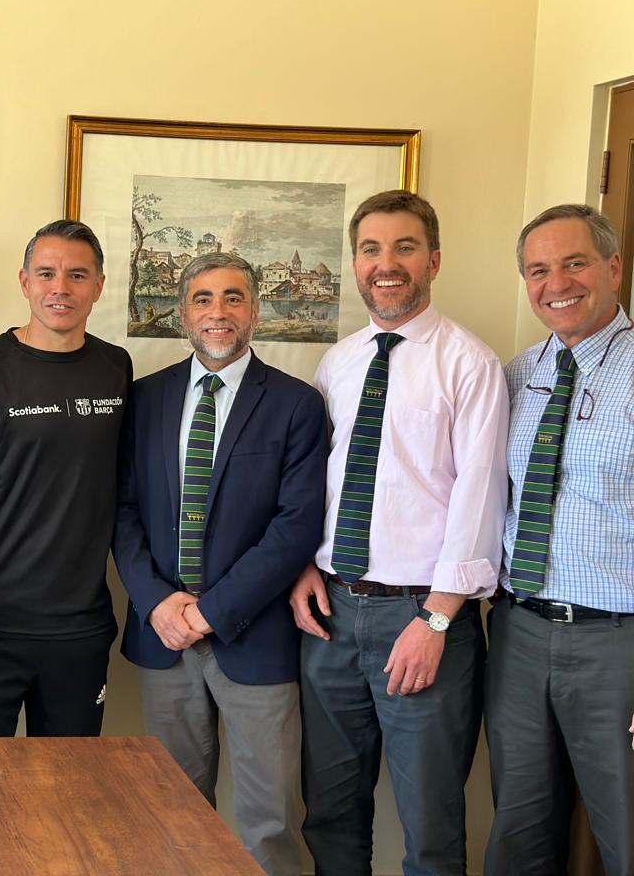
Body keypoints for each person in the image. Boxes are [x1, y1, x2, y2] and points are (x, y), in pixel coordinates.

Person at [289, 190, 509, 875]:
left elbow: (480, 497)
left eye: (404, 248)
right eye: (371, 250)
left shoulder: (470, 364)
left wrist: (437, 620)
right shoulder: (339, 361)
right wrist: (304, 565)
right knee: (330, 816)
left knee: (431, 827)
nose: (386, 264)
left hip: (422, 619)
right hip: (331, 615)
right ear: (356, 263)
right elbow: (316, 480)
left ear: (433, 260)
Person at [113, 253, 327, 875]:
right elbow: (122, 512)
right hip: (165, 636)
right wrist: (157, 603)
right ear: (183, 312)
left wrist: (212, 612)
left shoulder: (295, 404)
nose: (218, 312)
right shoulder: (144, 399)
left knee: (270, 819)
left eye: (234, 297)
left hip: (254, 636)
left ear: (255, 311)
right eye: (203, 298)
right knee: (172, 815)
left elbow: (295, 526)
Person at [0, 219, 131, 736]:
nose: (61, 288)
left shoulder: (116, 367)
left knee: (69, 781)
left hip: (80, 628)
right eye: (46, 273)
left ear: (99, 286)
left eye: (77, 275)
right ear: (24, 282)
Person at [485, 204, 634, 875]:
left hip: (618, 645)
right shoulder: (518, 375)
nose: (556, 284)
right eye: (538, 270)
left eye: (574, 263)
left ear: (613, 267)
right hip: (520, 632)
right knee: (519, 833)